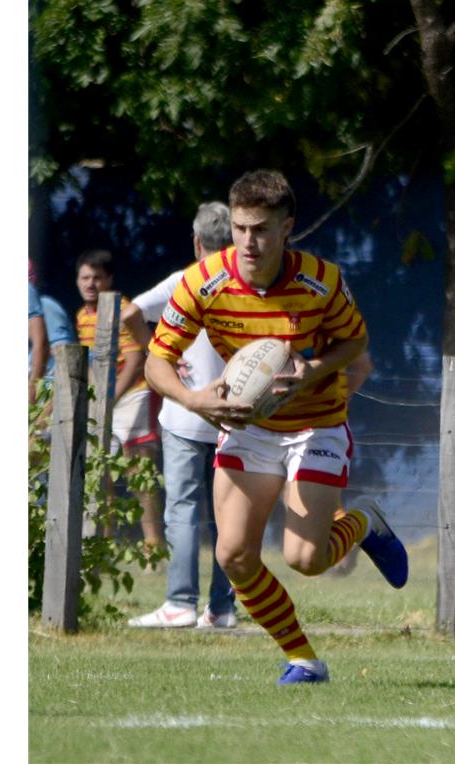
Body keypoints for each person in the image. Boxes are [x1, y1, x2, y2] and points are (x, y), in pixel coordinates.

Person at [143, 169, 407, 685]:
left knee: (306, 558)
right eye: (241, 227)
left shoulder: (321, 280)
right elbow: (157, 360)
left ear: (288, 227)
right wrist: (195, 399)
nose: (248, 241)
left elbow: (355, 343)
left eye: (261, 229)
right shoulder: (202, 281)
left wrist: (313, 369)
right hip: (248, 427)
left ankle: (366, 522)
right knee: (234, 555)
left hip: (316, 424)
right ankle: (305, 659)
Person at [125, 202, 240, 629]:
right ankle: (223, 609)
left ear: (196, 242)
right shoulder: (246, 284)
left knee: (184, 509)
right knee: (229, 514)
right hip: (234, 416)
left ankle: (179, 603)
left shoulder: (183, 280)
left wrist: (162, 357)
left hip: (184, 415)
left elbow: (131, 312)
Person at [75, 249, 165, 548]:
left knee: (138, 470)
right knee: (100, 470)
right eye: (85, 278)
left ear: (109, 280)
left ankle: (153, 543)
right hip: (104, 396)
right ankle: (103, 542)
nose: (90, 284)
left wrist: (110, 399)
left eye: (97, 278)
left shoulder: (122, 308)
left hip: (135, 391)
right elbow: (89, 361)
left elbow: (136, 358)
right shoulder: (81, 317)